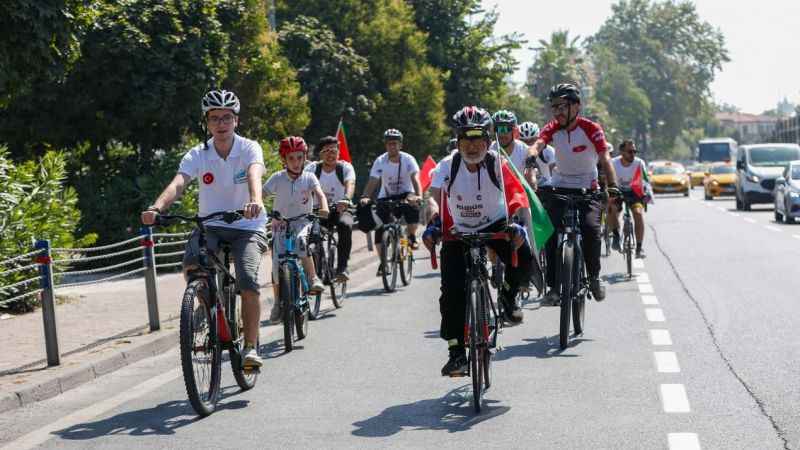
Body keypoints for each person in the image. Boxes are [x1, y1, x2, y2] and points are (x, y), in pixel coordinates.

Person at [141, 89, 267, 369]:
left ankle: (250, 347)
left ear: (236, 120)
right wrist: (156, 208)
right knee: (192, 263)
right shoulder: (198, 153)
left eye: (226, 118)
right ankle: (205, 302)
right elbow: (179, 183)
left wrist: (255, 200)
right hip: (211, 224)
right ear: (206, 123)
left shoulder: (249, 147)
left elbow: (253, 174)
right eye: (214, 119)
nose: (221, 124)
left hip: (247, 224)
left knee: (247, 279)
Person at [424, 106, 531, 376]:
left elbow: (516, 193)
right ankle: (456, 352)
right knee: (450, 294)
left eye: (477, 139)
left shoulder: (498, 163)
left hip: (495, 224)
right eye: (465, 139)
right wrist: (434, 220)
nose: (472, 146)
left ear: (488, 140)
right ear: (458, 141)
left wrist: (517, 220)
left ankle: (508, 296)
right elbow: (433, 195)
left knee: (526, 257)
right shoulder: (448, 164)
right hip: (458, 230)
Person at [528, 83, 620, 304]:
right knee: (549, 232)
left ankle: (595, 278)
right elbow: (538, 143)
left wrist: (613, 184)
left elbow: (605, 158)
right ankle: (552, 287)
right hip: (559, 186)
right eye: (554, 107)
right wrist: (531, 154)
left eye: (563, 106)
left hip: (587, 188)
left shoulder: (591, 128)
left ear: (576, 106)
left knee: (590, 229)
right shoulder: (553, 128)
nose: (558, 112)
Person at [263, 136, 329, 322]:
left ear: (304, 157)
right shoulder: (277, 178)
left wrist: (323, 207)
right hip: (280, 225)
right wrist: (256, 205)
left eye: (299, 157)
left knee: (301, 243)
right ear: (284, 160)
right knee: (276, 265)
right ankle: (277, 303)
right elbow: (261, 194)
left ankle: (313, 277)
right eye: (291, 158)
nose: (296, 162)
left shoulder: (309, 177)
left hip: (302, 222)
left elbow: (320, 194)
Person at [359, 129, 422, 274]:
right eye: (389, 144)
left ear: (400, 145)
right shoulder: (380, 161)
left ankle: (411, 235)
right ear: (385, 145)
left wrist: (418, 195)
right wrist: (365, 196)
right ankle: (383, 263)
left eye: (394, 144)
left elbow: (415, 178)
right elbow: (373, 181)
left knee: (412, 210)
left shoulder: (408, 159)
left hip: (407, 194)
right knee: (380, 229)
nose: (391, 147)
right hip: (386, 196)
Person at [305, 136, 356, 279]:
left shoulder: (344, 167)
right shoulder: (312, 168)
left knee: (346, 225)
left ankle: (342, 267)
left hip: (339, 209)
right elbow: (303, 186)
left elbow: (350, 184)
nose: (330, 154)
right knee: (309, 234)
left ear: (338, 153)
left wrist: (346, 199)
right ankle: (315, 268)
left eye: (334, 150)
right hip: (317, 211)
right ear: (320, 154)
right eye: (326, 151)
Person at [608, 140, 649, 258]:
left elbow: (645, 180)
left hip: (634, 193)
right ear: (622, 152)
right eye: (630, 152)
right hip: (618, 191)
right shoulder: (613, 163)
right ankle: (616, 235)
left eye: (634, 152)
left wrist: (646, 193)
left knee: (638, 213)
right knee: (611, 209)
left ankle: (639, 248)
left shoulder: (639, 163)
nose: (633, 154)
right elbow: (607, 180)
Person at [489, 110, 536, 186]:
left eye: (505, 129)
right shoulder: (489, 151)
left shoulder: (525, 151)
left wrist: (532, 180)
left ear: (514, 131)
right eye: (498, 129)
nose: (501, 134)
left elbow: (531, 176)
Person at [519, 121, 556, 189]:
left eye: (532, 140)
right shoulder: (517, 151)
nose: (529, 144)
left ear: (538, 138)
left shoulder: (548, 151)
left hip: (546, 187)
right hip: (525, 188)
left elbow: (554, 172)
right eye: (524, 141)